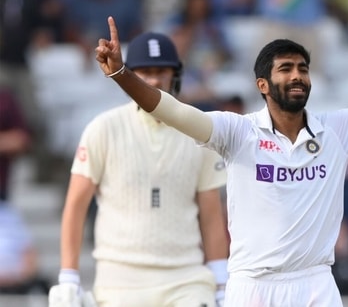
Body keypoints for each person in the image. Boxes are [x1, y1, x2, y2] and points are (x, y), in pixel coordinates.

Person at [95, 3, 348, 306]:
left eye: (303, 68)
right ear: (263, 84)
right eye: (285, 68)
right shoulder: (235, 131)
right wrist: (120, 73)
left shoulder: (339, 129)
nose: (297, 75)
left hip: (315, 283)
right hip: (253, 288)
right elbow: (170, 109)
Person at [48, 31, 229, 307]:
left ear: (175, 75)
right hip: (119, 282)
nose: (154, 80)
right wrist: (69, 278)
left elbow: (211, 215)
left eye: (161, 71)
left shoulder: (198, 131)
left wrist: (221, 283)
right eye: (145, 72)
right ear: (129, 76)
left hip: (186, 279)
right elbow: (75, 205)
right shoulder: (104, 128)